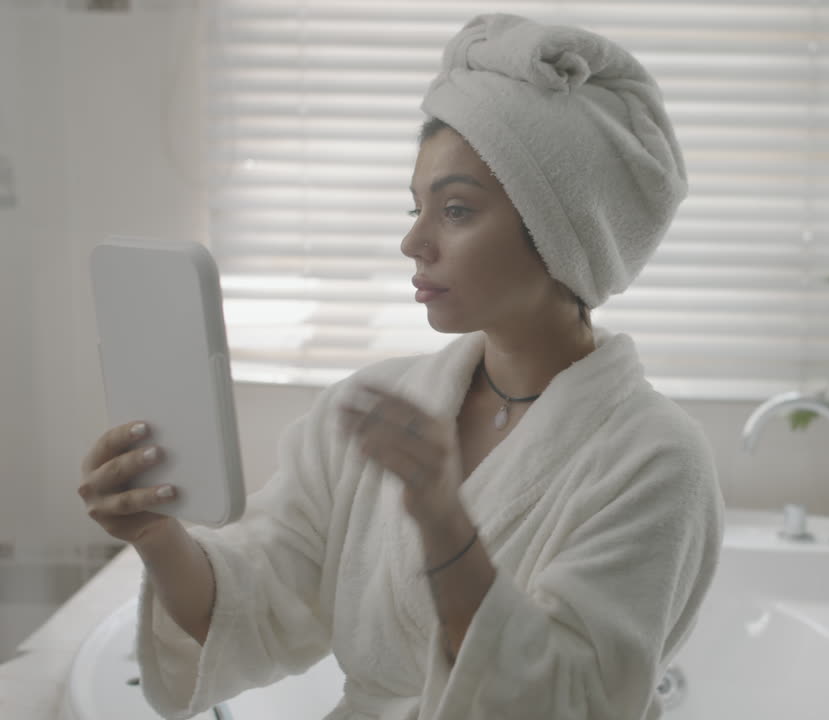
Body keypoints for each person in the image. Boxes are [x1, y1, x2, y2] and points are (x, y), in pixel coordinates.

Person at [77, 13, 724, 720]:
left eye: (454, 210)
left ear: (561, 230)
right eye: (415, 208)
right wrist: (158, 538)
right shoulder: (377, 402)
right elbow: (258, 605)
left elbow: (573, 702)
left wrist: (445, 524)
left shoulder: (658, 461)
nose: (413, 241)